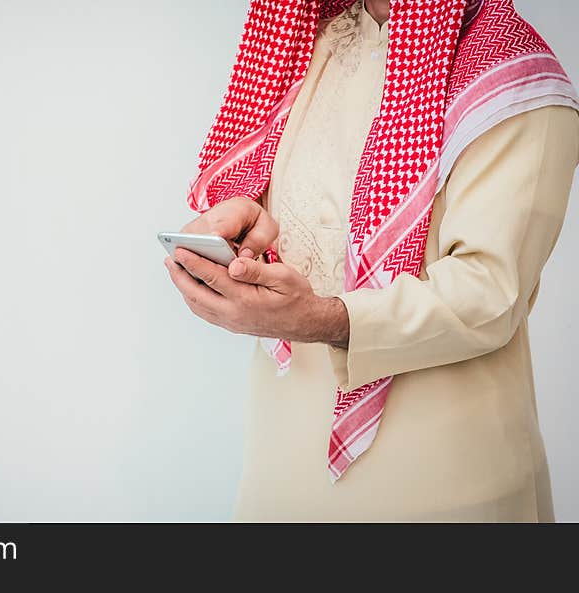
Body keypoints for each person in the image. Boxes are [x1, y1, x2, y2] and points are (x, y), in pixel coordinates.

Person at [164, 0, 579, 521]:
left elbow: (489, 294)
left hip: (442, 484)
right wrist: (247, 227)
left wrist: (325, 319)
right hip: (281, 471)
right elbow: (305, 218)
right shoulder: (316, 44)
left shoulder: (513, 78)